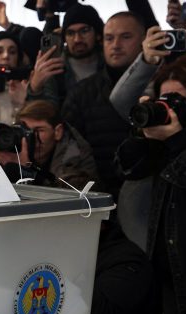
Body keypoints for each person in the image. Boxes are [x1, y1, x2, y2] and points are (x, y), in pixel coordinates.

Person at [115, 55, 186, 314]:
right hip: (171, 285)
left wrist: (178, 144)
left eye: (179, 100)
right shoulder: (166, 142)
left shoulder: (184, 146)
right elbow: (126, 167)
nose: (169, 108)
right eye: (164, 99)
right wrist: (144, 134)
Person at [62, 11, 146, 199]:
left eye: (125, 37)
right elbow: (70, 158)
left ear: (143, 39)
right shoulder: (82, 93)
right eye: (109, 38)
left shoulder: (160, 86)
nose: (115, 45)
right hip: (98, 201)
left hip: (150, 200)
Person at [0, 100, 99, 190]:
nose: (30, 137)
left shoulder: (74, 155)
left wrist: (26, 170)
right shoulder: (14, 151)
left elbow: (63, 202)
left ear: (57, 132)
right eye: (26, 130)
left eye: (39, 130)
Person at [28, 3, 105, 105]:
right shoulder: (56, 70)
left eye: (84, 31)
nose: (77, 39)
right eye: (70, 33)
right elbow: (47, 112)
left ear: (98, 34)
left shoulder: (111, 63)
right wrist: (35, 89)